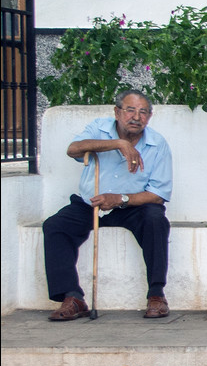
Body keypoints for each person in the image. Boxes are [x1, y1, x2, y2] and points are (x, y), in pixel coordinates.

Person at [42, 88, 173, 321]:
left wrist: (120, 198)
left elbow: (158, 194)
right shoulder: (99, 128)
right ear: (117, 112)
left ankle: (156, 295)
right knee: (55, 225)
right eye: (130, 110)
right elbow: (73, 149)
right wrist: (119, 144)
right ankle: (73, 297)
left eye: (143, 112)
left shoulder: (157, 144)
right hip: (90, 202)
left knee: (155, 219)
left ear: (150, 117)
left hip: (132, 205)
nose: (136, 117)